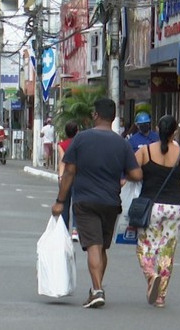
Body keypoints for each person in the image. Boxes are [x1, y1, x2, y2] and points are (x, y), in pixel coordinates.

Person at [52, 98, 143, 309]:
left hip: (85, 201)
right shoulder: (122, 143)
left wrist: (60, 201)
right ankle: (96, 288)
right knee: (101, 247)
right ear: (113, 118)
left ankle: (97, 290)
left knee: (93, 245)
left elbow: (69, 172)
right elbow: (136, 173)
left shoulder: (81, 139)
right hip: (111, 202)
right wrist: (122, 176)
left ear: (95, 115)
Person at [134, 115, 180, 308]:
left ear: (157, 129)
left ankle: (151, 275)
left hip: (151, 206)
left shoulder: (145, 151)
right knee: (167, 251)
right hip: (175, 207)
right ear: (175, 132)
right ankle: (160, 297)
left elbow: (130, 170)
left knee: (144, 247)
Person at [56, 121, 80, 240]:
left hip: (66, 176)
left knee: (64, 204)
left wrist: (60, 177)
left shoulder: (62, 145)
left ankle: (64, 230)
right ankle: (75, 230)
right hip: (78, 176)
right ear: (77, 131)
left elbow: (62, 161)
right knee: (76, 202)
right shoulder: (80, 144)